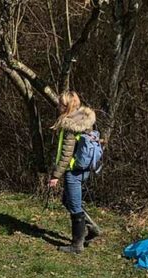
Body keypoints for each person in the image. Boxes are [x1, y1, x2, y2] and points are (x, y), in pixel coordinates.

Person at [48, 91, 102, 254]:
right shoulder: (84, 119)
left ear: (67, 105)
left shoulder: (70, 124)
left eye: (61, 104)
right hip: (85, 168)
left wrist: (55, 176)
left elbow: (66, 153)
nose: (58, 107)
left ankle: (77, 245)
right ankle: (92, 228)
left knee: (74, 206)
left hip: (74, 170)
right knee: (68, 200)